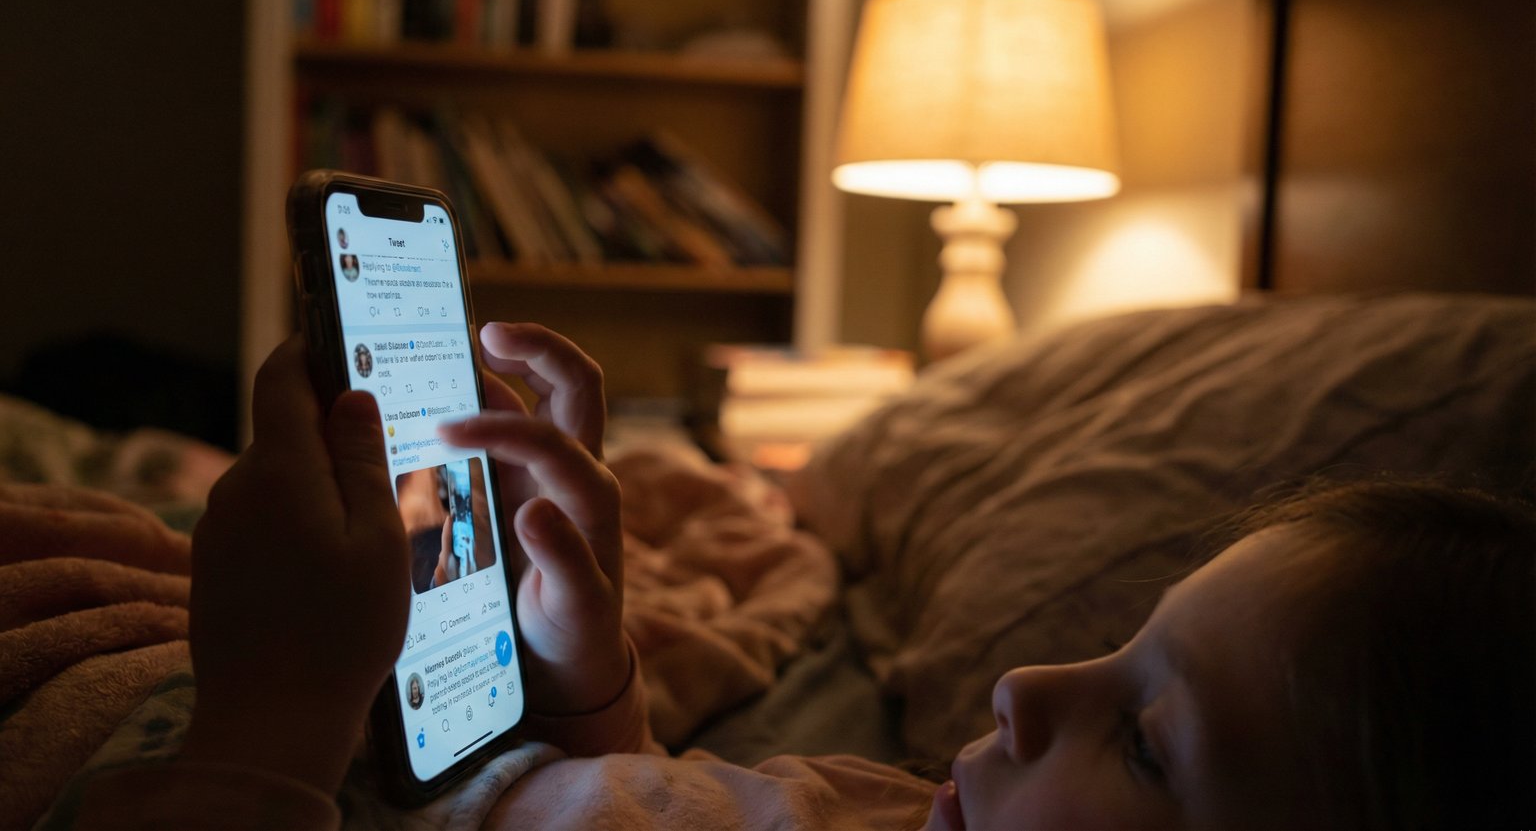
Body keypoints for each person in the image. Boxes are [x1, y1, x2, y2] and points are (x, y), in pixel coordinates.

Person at [72, 324, 1535, 830]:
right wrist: (584, 674)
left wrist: (267, 723)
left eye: (1147, 743)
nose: (1024, 685)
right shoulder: (908, 807)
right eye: (1118, 649)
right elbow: (653, 807)